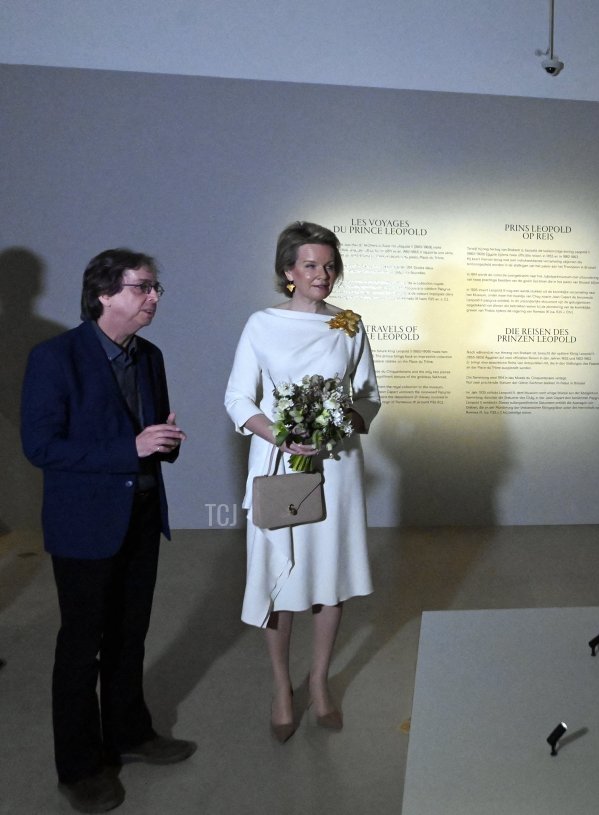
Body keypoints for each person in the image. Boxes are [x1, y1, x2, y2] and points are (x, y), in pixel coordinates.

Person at [21, 249, 194, 813]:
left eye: (156, 288)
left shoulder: (150, 356)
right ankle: (79, 768)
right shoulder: (55, 357)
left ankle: (130, 733)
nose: (154, 297)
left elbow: (148, 436)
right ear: (103, 294)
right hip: (84, 525)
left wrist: (163, 442)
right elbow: (40, 447)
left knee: (129, 634)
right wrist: (131, 447)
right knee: (81, 647)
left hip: (140, 516)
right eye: (143, 287)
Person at [224, 221, 380, 743]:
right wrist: (281, 434)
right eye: (311, 265)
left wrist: (339, 421)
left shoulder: (349, 325)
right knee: (277, 578)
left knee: (330, 573)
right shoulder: (262, 324)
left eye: (330, 266)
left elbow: (368, 396)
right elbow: (238, 398)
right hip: (279, 463)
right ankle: (280, 688)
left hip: (336, 466)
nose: (322, 274)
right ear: (288, 271)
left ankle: (318, 683)